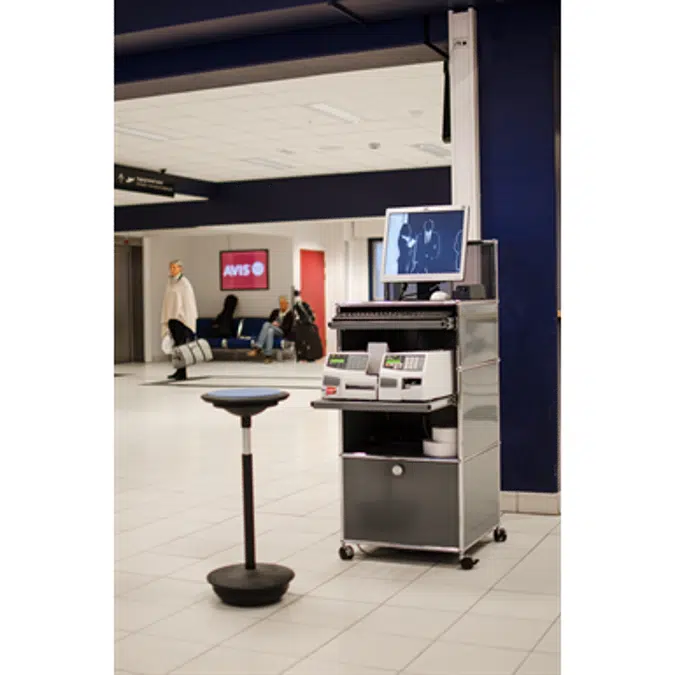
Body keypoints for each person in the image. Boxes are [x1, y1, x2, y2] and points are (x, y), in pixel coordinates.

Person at [161, 259, 198, 381]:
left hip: (181, 320)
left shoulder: (184, 283)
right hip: (172, 318)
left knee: (181, 347)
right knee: (176, 347)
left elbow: (188, 303)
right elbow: (168, 301)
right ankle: (178, 370)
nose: (172, 270)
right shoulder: (170, 282)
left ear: (180, 268)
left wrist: (185, 318)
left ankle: (183, 372)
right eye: (171, 267)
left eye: (174, 267)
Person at [248, 296, 294, 363]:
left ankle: (258, 348)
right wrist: (273, 323)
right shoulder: (275, 311)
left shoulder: (290, 314)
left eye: (284, 303)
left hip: (281, 332)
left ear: (287, 304)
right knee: (270, 331)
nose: (282, 305)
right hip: (273, 329)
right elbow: (269, 321)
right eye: (281, 303)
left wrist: (279, 325)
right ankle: (268, 356)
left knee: (266, 325)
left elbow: (287, 328)